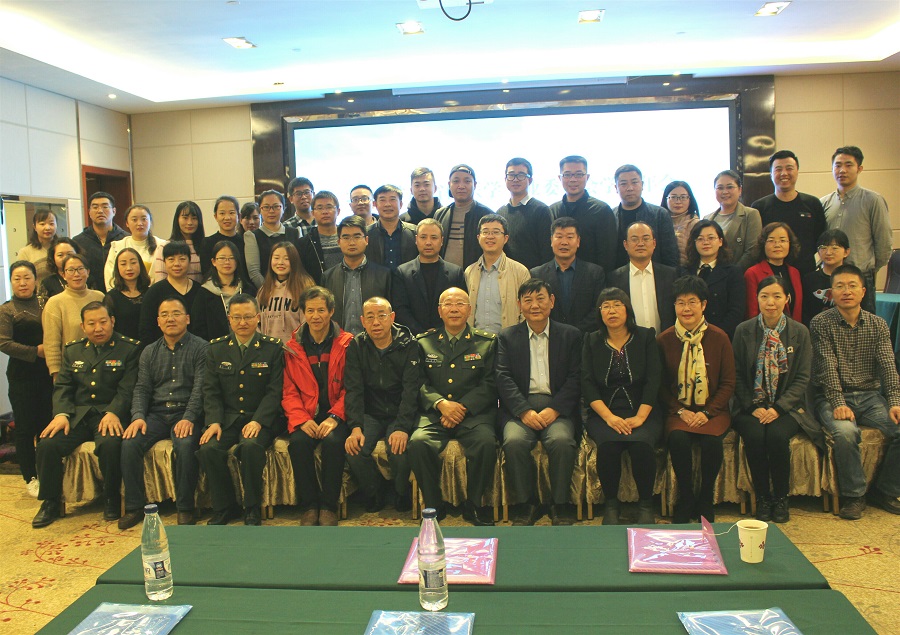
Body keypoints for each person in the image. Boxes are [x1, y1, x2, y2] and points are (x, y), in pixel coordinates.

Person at [31, 302, 140, 528]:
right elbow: (63, 386)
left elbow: (127, 389)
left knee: (110, 444)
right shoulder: (73, 350)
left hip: (109, 414)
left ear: (112, 321)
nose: (98, 328)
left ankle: (110, 497)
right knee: (47, 444)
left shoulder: (129, 348)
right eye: (91, 323)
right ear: (83, 326)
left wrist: (114, 411)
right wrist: (61, 414)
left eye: (103, 322)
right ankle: (50, 502)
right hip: (77, 415)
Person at [810, 264, 900, 520]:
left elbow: (888, 366)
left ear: (863, 291)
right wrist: (838, 402)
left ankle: (886, 490)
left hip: (870, 396)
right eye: (839, 286)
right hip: (831, 396)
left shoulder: (878, 325)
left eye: (852, 286)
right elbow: (827, 367)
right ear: (832, 292)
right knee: (846, 433)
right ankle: (854, 495)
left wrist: (895, 402)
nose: (846, 291)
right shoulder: (820, 323)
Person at [408, 287, 498, 526]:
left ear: (469, 310)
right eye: (448, 304)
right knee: (418, 443)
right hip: (435, 414)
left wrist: (462, 407)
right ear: (439, 311)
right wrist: (441, 404)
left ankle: (474, 505)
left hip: (473, 415)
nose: (454, 309)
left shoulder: (487, 342)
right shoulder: (424, 342)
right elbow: (417, 382)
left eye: (460, 304)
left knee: (486, 443)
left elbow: (490, 383)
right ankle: (433, 505)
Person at [497, 279, 581, 526]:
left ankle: (560, 504)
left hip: (557, 408)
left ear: (552, 301)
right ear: (519, 305)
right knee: (513, 442)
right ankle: (527, 504)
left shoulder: (570, 335)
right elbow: (502, 376)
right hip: (520, 409)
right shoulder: (507, 337)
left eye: (540, 298)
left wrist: (555, 409)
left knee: (562, 441)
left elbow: (577, 377)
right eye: (528, 300)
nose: (535, 305)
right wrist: (523, 411)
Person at [119, 297, 208, 529]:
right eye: (165, 315)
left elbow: (200, 389)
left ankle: (185, 508)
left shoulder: (201, 348)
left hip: (186, 412)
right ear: (158, 321)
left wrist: (189, 417)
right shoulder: (149, 351)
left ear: (187, 319)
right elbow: (141, 388)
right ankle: (134, 507)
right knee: (130, 442)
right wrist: (138, 417)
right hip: (156, 414)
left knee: (186, 445)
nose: (171, 319)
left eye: (176, 313)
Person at [733, 277, 816, 524]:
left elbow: (802, 378)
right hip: (751, 406)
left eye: (777, 296)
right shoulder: (743, 330)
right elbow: (736, 374)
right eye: (765, 296)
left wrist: (778, 408)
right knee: (755, 436)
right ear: (757, 299)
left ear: (787, 299)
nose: (771, 302)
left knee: (777, 436)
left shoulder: (800, 332)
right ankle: (763, 497)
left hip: (787, 408)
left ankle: (780, 497)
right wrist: (753, 406)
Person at [199, 294, 284, 526]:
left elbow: (275, 391)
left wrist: (258, 421)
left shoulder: (272, 348)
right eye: (237, 317)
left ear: (258, 317)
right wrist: (214, 421)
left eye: (248, 317)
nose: (243, 322)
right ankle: (225, 507)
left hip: (260, 419)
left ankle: (252, 507)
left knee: (250, 447)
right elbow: (211, 390)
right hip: (227, 419)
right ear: (229, 319)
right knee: (208, 449)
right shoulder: (216, 349)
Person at [582, 288, 662, 525]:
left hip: (643, 410)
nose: (612, 311)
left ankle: (645, 504)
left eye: (617, 305)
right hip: (604, 412)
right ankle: (611, 505)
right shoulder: (591, 340)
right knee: (608, 445)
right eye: (606, 306)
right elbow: (587, 383)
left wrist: (640, 417)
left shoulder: (646, 337)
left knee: (641, 445)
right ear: (600, 312)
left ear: (627, 309)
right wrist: (609, 417)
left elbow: (654, 379)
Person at [659, 276, 735, 523]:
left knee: (711, 442)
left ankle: (705, 498)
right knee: (678, 440)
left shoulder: (719, 337)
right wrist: (680, 411)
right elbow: (660, 385)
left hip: (713, 410)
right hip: (677, 411)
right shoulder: (665, 339)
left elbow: (728, 383)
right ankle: (686, 497)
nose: (686, 309)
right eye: (680, 303)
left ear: (703, 305)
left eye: (692, 302)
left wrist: (707, 412)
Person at [283, 286, 353, 527]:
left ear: (331, 311)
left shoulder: (347, 343)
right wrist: (302, 420)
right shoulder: (292, 347)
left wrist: (335, 416)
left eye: (321, 310)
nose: (315, 316)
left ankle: (328, 506)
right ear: (303, 312)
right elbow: (289, 391)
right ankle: (310, 506)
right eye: (310, 311)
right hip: (306, 416)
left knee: (333, 443)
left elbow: (352, 387)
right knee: (299, 443)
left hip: (337, 415)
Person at [344, 297, 419, 513]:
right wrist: (355, 426)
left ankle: (400, 492)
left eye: (381, 316)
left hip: (398, 412)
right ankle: (374, 491)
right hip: (371, 413)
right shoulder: (357, 345)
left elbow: (411, 390)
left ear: (392, 317)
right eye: (370, 317)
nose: (376, 322)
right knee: (354, 450)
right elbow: (354, 389)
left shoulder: (409, 344)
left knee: (399, 450)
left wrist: (402, 427)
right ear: (363, 321)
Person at [0, 261, 53, 498]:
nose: (22, 283)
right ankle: (30, 476)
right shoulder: (6, 309)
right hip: (21, 375)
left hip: (47, 373)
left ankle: (46, 472)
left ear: (35, 280)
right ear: (11, 282)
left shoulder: (46, 304)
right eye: (17, 278)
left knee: (46, 424)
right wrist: (35, 352)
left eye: (27, 278)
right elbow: (4, 343)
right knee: (24, 427)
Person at [821, 146, 892, 315]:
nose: (842, 170)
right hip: (831, 278)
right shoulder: (823, 202)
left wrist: (868, 268)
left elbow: (884, 244)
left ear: (859, 169)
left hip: (860, 277)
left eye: (848, 165)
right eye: (838, 165)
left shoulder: (873, 201)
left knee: (863, 324)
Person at [752, 150, 827, 276]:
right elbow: (757, 244)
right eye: (778, 169)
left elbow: (820, 238)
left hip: (805, 272)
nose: (784, 173)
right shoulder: (759, 207)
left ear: (797, 171)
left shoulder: (812, 203)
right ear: (771, 174)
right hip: (770, 274)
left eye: (789, 168)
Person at [530, 217, 605, 334]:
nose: (564, 242)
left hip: (586, 337)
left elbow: (598, 309)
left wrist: (573, 332)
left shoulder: (595, 273)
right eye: (559, 237)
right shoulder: (537, 274)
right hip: (550, 337)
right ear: (551, 240)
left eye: (570, 237)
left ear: (578, 241)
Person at [392, 218, 467, 335]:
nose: (428, 242)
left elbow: (461, 307)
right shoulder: (402, 272)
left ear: (441, 241)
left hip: (448, 336)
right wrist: (423, 333)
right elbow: (400, 309)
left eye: (434, 237)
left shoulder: (455, 272)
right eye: (423, 237)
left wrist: (439, 331)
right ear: (416, 239)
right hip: (412, 337)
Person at [322, 216, 392, 336]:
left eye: (357, 236)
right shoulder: (328, 277)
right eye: (346, 237)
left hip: (374, 341)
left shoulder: (384, 275)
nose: (352, 242)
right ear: (338, 242)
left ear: (366, 240)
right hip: (338, 342)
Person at [548, 155, 617, 274]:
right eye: (567, 174)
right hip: (557, 276)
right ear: (560, 178)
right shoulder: (552, 210)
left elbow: (607, 254)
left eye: (579, 174)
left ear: (587, 177)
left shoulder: (601, 210)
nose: (573, 179)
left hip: (592, 278)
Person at [465, 214, 531, 335]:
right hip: (476, 341)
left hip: (509, 340)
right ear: (478, 237)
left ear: (505, 238)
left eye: (496, 232)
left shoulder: (520, 272)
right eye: (485, 232)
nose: (490, 236)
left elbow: (527, 310)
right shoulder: (469, 272)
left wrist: (518, 338)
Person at [606, 222, 677, 333]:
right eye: (634, 239)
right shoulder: (614, 278)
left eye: (646, 239)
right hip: (630, 341)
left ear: (654, 243)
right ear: (625, 245)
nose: (640, 243)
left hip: (665, 340)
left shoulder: (670, 275)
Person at [42, 253, 105, 378]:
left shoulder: (100, 297)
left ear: (88, 272)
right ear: (63, 275)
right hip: (71, 369)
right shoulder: (55, 303)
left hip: (101, 367)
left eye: (80, 269)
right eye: (70, 270)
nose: (76, 274)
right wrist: (56, 373)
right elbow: (51, 343)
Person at [685, 220, 745, 339]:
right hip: (689, 336)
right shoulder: (684, 271)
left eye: (711, 238)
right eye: (700, 239)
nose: (706, 242)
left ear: (720, 241)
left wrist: (716, 335)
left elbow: (736, 311)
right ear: (694, 242)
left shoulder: (733, 272)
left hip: (722, 336)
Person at [612, 164, 679, 269]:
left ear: (642, 185)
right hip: (619, 276)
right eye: (623, 184)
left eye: (634, 182)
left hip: (654, 275)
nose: (630, 188)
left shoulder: (660, 214)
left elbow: (670, 255)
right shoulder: (610, 216)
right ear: (616, 188)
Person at [191, 241, 257, 341]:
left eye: (231, 258)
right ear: (213, 262)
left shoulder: (248, 290)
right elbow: (198, 328)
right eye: (222, 258)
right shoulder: (204, 292)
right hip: (215, 347)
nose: (227, 262)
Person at [496, 157, 553, 271]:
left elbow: (547, 251)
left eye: (521, 175)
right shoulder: (500, 213)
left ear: (530, 180)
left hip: (533, 276)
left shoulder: (541, 210)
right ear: (505, 179)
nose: (515, 179)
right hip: (505, 275)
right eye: (511, 175)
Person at [138, 242, 200, 345]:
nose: (177, 264)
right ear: (164, 262)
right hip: (162, 349)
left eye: (182, 259)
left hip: (196, 349)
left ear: (189, 261)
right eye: (171, 259)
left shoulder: (199, 291)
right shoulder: (154, 292)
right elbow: (146, 328)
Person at [434, 164, 494, 269]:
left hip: (476, 274)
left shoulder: (487, 215)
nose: (461, 186)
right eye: (456, 181)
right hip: (444, 275)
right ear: (449, 184)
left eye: (467, 181)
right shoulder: (440, 214)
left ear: (475, 185)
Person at [744, 222, 803, 322]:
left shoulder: (795, 272)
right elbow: (752, 313)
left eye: (782, 240)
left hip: (793, 329)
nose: (777, 245)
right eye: (771, 241)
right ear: (763, 244)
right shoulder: (753, 273)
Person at [257, 241, 314, 343]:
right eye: (276, 258)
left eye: (286, 259)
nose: (280, 262)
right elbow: (256, 323)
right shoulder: (264, 289)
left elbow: (309, 324)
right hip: (268, 349)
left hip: (295, 349)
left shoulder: (305, 287)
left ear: (294, 260)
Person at [704, 170, 762, 271]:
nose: (725, 192)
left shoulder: (751, 214)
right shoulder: (707, 219)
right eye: (720, 188)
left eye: (730, 187)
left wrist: (733, 273)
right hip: (711, 274)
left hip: (738, 274)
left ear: (740, 190)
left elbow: (752, 251)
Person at [244, 190, 302, 288]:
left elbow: (299, 266)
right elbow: (254, 272)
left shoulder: (296, 232)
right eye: (266, 207)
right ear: (260, 210)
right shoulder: (252, 236)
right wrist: (272, 291)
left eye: (276, 206)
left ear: (283, 208)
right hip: (265, 290)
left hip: (294, 288)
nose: (271, 211)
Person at [74, 191, 127, 291]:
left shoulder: (126, 239)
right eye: (95, 207)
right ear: (89, 212)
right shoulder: (78, 242)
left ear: (114, 211)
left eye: (105, 207)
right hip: (89, 294)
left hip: (120, 293)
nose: (100, 211)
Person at [105, 205, 164, 291]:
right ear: (127, 223)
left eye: (144, 219)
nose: (139, 223)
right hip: (123, 294)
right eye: (134, 220)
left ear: (150, 221)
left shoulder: (162, 245)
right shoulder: (117, 247)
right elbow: (110, 277)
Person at [803, 228, 855, 325]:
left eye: (834, 248)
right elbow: (804, 313)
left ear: (846, 252)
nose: (828, 252)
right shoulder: (809, 280)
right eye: (823, 248)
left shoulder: (855, 278)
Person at [103, 247, 151, 341]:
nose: (129, 268)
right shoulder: (111, 297)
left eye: (133, 263)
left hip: (150, 346)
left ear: (140, 265)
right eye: (123, 264)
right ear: (117, 268)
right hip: (123, 347)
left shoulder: (151, 293)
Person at [296, 191, 344, 283]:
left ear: (338, 211)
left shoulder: (347, 237)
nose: (325, 212)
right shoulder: (304, 243)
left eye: (329, 207)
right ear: (313, 213)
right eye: (319, 208)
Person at [365, 184, 417, 269]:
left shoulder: (414, 232)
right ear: (375, 204)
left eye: (392, 199)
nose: (387, 204)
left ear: (401, 204)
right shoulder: (366, 234)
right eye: (382, 200)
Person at [152, 200, 205, 283]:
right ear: (177, 220)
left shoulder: (205, 245)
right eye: (185, 218)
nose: (190, 222)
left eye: (194, 218)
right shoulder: (165, 246)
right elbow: (160, 280)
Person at [198, 195, 245, 279]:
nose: (227, 218)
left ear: (239, 216)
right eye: (222, 213)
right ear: (216, 216)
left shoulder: (245, 241)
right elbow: (206, 272)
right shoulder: (207, 243)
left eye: (231, 213)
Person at [660, 180, 700, 267]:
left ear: (690, 199)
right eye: (673, 197)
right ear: (666, 199)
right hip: (663, 271)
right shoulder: (659, 222)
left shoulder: (696, 224)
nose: (678, 201)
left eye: (683, 197)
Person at [17, 209, 58, 285]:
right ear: (34, 227)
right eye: (42, 224)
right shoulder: (25, 252)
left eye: (51, 224)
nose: (47, 227)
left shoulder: (62, 248)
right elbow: (21, 278)